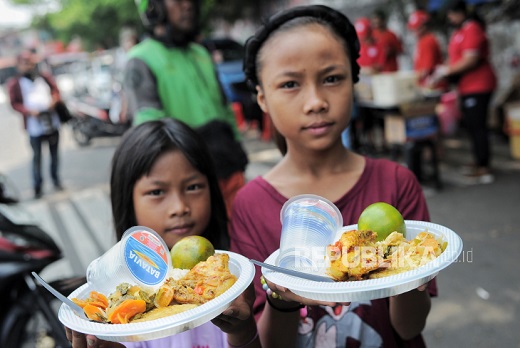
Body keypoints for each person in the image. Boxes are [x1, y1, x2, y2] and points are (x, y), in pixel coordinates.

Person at [233, 5, 435, 347]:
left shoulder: (396, 182)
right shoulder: (250, 204)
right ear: (262, 99)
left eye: (331, 78)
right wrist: (281, 299)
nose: (315, 102)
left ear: (354, 82)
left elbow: (410, 327)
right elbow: (271, 343)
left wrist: (408, 272)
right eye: (290, 84)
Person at [65, 119, 260, 348]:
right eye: (157, 192)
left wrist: (242, 330)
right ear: (128, 201)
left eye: (193, 187)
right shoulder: (113, 311)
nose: (179, 207)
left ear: (212, 189)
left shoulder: (228, 282)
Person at [124, 0, 248, 216]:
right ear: (153, 8)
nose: (188, 5)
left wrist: (237, 147)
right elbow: (149, 129)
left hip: (229, 168)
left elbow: (223, 107)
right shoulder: (140, 59)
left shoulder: (200, 53)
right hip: (191, 182)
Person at [434, 0, 497, 183]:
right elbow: (455, 58)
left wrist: (447, 71)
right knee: (470, 124)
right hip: (467, 87)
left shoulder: (472, 28)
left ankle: (484, 166)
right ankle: (478, 160)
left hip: (479, 85)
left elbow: (470, 59)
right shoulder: (459, 32)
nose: (450, 18)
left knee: (478, 125)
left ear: (461, 12)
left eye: (452, 14)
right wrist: (443, 70)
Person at [7, 48, 64, 199]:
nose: (29, 65)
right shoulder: (15, 83)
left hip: (51, 122)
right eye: (25, 63)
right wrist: (30, 112)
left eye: (30, 62)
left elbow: (56, 92)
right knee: (37, 157)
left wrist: (52, 102)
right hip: (34, 126)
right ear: (19, 65)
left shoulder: (44, 77)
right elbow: (14, 104)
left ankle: (56, 180)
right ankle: (37, 186)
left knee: (54, 155)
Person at [407, 9, 447, 90]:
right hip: (429, 84)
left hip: (433, 86)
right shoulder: (423, 40)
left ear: (424, 26)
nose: (414, 32)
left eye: (417, 28)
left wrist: (409, 81)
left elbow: (427, 69)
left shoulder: (428, 40)